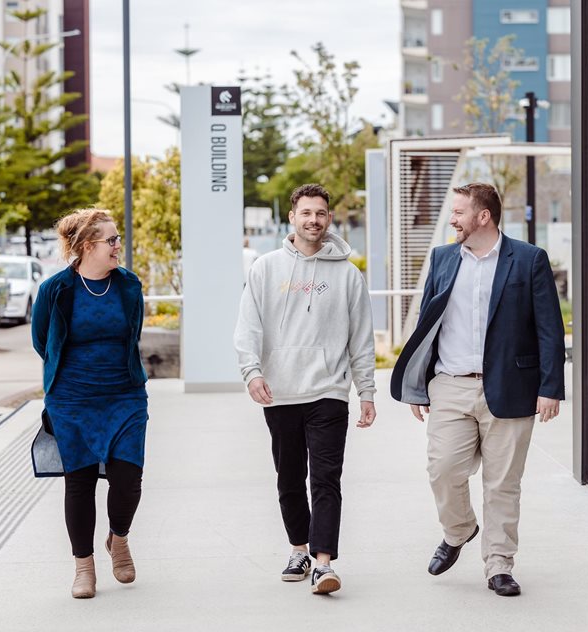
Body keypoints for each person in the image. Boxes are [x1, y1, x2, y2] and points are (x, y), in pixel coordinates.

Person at [390, 182, 565, 597]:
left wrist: (550, 387)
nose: (452, 220)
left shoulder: (528, 260)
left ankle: (499, 564)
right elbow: (427, 325)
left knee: (503, 484)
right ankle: (460, 529)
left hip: (511, 386)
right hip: (450, 384)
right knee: (443, 470)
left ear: (482, 216)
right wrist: (418, 385)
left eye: (459, 213)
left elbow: (549, 329)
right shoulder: (443, 258)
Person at [234, 183, 376, 595]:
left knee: (327, 479)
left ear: (329, 219)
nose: (313, 220)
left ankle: (324, 563)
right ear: (292, 218)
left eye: (320, 213)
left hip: (329, 391)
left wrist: (366, 392)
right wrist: (252, 372)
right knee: (290, 478)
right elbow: (248, 327)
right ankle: (298, 548)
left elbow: (361, 339)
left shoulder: (349, 275)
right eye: (306, 213)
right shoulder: (265, 268)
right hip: (280, 392)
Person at [31, 208, 148, 599]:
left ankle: (119, 537)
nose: (118, 246)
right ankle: (84, 567)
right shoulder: (55, 290)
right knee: (79, 482)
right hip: (73, 399)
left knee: (128, 478)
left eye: (117, 239)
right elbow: (42, 342)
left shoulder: (129, 286)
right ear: (86, 246)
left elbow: (133, 334)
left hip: (125, 394)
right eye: (111, 240)